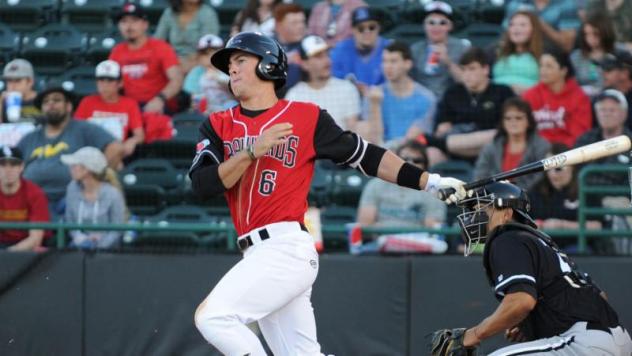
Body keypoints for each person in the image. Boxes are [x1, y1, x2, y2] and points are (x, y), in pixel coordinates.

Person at [190, 31, 468, 355]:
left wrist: (430, 181)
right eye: (229, 64)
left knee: (214, 317)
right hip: (255, 252)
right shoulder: (219, 123)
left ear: (267, 65)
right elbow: (202, 184)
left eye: (240, 60)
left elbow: (368, 156)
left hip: (285, 248)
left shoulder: (305, 117)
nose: (231, 69)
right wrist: (251, 152)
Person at [443, 181, 632, 355]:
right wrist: (534, 322)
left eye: (481, 208)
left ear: (506, 213)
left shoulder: (507, 238)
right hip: (614, 339)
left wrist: (474, 334)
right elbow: (600, 297)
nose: (475, 216)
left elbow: (522, 301)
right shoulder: (539, 242)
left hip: (583, 343)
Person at [16, 85, 121, 218]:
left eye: (57, 100)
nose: (51, 104)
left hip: (71, 199)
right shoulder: (30, 138)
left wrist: (98, 177)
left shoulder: (83, 129)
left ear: (69, 106)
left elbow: (115, 148)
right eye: (46, 102)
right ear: (41, 109)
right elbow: (10, 163)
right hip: (31, 201)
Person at [425, 47, 515, 164]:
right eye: (463, 69)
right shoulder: (452, 93)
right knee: (431, 153)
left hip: (490, 148)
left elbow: (505, 128)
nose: (467, 74)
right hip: (454, 151)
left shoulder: (502, 92)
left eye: (472, 69)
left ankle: (444, 143)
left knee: (495, 135)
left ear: (485, 69)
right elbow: (441, 128)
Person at [110, 2, 184, 114]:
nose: (129, 26)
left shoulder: (161, 47)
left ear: (145, 24)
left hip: (158, 105)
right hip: (129, 107)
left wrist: (160, 99)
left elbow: (177, 80)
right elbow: (110, 83)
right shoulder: (117, 51)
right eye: (124, 21)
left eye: (134, 20)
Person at [357, 140, 446, 229]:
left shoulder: (432, 191)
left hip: (417, 240)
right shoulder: (376, 185)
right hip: (380, 239)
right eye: (404, 160)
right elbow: (366, 225)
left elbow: (433, 228)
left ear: (425, 165)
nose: (410, 164)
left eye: (417, 160)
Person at [364, 41, 437, 144]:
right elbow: (372, 140)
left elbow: (415, 138)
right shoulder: (373, 96)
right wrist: (375, 106)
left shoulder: (426, 98)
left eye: (393, 61)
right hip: (378, 153)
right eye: (384, 61)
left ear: (407, 64)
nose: (387, 66)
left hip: (410, 153)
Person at [285, 35, 360, 131]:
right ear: (305, 64)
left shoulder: (347, 89)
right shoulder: (294, 96)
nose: (327, 60)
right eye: (319, 56)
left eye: (327, 54)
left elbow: (353, 133)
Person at [475, 97, 550, 191]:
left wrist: (515, 194)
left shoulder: (542, 147)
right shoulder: (490, 148)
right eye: (508, 118)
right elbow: (480, 178)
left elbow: (541, 179)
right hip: (494, 200)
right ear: (502, 122)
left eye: (518, 118)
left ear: (529, 121)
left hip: (531, 201)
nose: (513, 122)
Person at [523, 46, 592, 148]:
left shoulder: (579, 97)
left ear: (563, 70)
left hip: (566, 152)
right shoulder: (530, 95)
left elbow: (579, 135)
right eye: (541, 65)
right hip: (535, 152)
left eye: (549, 66)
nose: (543, 70)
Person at [74, 60, 145, 160]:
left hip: (117, 153)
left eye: (110, 80)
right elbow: (76, 130)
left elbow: (139, 135)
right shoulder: (87, 102)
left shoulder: (130, 104)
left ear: (120, 83)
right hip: (90, 151)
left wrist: (132, 141)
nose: (105, 84)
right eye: (101, 80)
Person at [61, 147, 126, 250]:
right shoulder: (72, 188)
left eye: (74, 165)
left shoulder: (112, 194)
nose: (71, 168)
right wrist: (80, 239)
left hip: (107, 254)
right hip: (77, 250)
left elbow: (118, 229)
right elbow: (70, 221)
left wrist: (100, 245)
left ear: (87, 169)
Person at [411, 1, 469, 97]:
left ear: (450, 26)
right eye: (431, 23)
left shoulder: (462, 48)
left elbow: (467, 82)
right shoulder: (415, 49)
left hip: (451, 101)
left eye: (442, 23)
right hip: (420, 101)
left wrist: (448, 62)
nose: (436, 27)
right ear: (424, 26)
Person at [330, 6, 390, 93]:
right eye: (361, 28)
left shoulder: (390, 49)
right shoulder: (340, 50)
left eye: (371, 27)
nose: (367, 32)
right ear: (353, 30)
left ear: (378, 28)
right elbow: (333, 82)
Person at [0, 146, 49, 251]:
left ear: (21, 167)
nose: (8, 170)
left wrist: (7, 253)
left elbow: (36, 239)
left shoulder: (34, 193)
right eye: (3, 165)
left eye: (13, 165)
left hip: (27, 248)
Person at [154, 0, 219, 73]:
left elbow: (209, 46)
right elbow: (158, 42)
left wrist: (191, 61)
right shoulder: (169, 13)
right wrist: (171, 61)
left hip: (199, 61)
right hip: (172, 62)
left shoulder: (207, 13)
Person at [492, 10, 543, 95]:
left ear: (533, 29)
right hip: (497, 99)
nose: (516, 28)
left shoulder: (544, 53)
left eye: (522, 25)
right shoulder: (496, 50)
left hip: (529, 100)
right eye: (512, 25)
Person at [183, 34, 236, 114]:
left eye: (215, 53)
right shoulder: (196, 72)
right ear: (199, 57)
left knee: (231, 105)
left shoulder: (230, 69)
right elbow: (194, 99)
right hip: (207, 111)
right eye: (205, 54)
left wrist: (219, 78)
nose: (210, 58)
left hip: (228, 111)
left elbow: (238, 93)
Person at [570, 12, 619, 97]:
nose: (590, 38)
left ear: (605, 32)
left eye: (595, 34)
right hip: (583, 101)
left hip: (611, 101)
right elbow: (571, 85)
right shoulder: (576, 56)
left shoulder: (617, 54)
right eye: (586, 34)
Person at [502, 0, 580, 53]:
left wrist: (537, 22)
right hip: (519, 52)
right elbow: (505, 37)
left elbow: (567, 46)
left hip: (552, 55)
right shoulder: (516, 3)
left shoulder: (566, 4)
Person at [272, 3, 306, 96]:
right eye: (294, 23)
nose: (300, 26)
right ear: (278, 25)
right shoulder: (267, 46)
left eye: (302, 22)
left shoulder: (308, 44)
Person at [0, 59, 40, 123]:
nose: (12, 85)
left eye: (17, 80)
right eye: (9, 81)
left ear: (30, 82)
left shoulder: (43, 100)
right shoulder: (3, 101)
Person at [601, 52, 632, 127]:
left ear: (624, 73)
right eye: (603, 70)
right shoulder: (604, 95)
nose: (603, 74)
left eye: (608, 70)